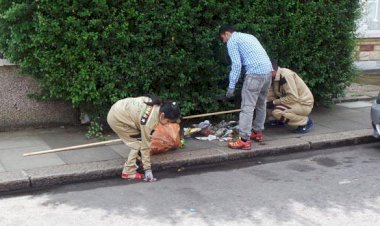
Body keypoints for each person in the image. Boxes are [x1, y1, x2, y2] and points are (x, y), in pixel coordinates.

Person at [219, 24, 273, 150]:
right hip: (268, 72)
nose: (224, 41)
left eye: (223, 38)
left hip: (255, 74)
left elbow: (236, 65)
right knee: (261, 104)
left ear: (227, 33)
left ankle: (244, 140)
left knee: (247, 107)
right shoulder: (249, 36)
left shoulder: (232, 41)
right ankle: (257, 132)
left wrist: (231, 88)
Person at [107, 96, 180, 182]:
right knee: (137, 144)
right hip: (117, 119)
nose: (167, 124)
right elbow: (145, 146)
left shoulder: (155, 104)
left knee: (139, 139)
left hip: (119, 108)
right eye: (168, 121)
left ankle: (136, 159)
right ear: (162, 115)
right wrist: (148, 170)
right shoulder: (149, 121)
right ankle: (128, 172)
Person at [266, 61, 314, 133]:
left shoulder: (286, 75)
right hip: (294, 101)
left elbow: (293, 97)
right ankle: (277, 120)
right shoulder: (276, 76)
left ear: (272, 71)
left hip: (303, 103)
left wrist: (274, 102)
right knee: (268, 98)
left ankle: (305, 121)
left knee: (277, 112)